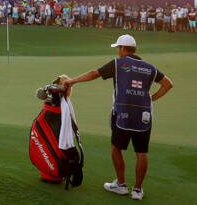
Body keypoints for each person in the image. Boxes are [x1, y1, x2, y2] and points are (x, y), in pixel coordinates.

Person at [63, 34, 173, 201]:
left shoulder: (118, 63)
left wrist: (72, 81)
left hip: (122, 113)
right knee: (142, 152)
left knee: (116, 148)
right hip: (144, 115)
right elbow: (168, 84)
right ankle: (137, 190)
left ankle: (121, 185)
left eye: (118, 48)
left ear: (122, 48)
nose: (117, 52)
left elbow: (94, 74)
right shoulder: (150, 67)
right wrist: (151, 98)